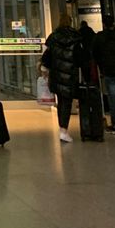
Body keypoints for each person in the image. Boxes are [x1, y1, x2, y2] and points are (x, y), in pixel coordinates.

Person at [43, 12, 81, 143]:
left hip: (56, 74)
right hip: (70, 74)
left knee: (61, 102)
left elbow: (46, 56)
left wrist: (45, 68)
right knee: (67, 101)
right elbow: (80, 57)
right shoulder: (76, 37)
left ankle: (62, 128)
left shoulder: (53, 37)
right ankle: (64, 129)